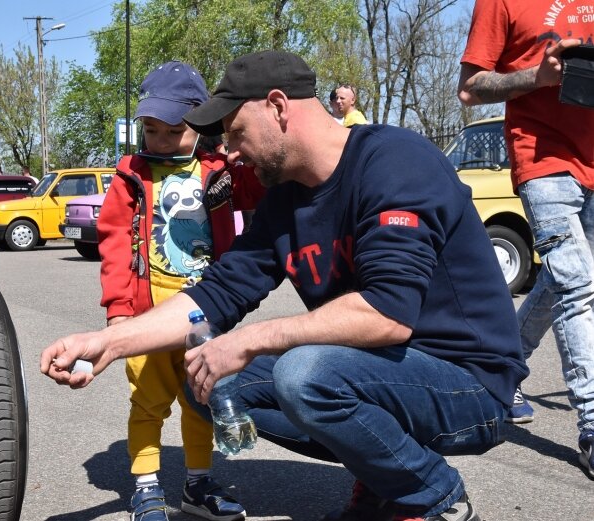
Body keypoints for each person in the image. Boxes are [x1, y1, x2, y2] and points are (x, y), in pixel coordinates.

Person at [42, 50, 528, 521]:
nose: (229, 152)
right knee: (208, 381)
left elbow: (388, 313)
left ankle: (433, 496)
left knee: (305, 372)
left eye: (235, 133)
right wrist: (107, 342)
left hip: (469, 386)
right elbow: (215, 295)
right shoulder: (285, 200)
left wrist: (249, 339)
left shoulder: (394, 161)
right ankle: (383, 476)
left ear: (277, 107)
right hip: (380, 375)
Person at [94, 61, 264, 521]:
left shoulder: (216, 170)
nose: (161, 141)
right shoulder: (132, 174)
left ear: (200, 124)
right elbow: (112, 243)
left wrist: (238, 157)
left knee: (200, 400)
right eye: (151, 130)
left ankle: (196, 485)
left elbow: (259, 191)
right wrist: (118, 312)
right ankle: (146, 487)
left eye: (173, 131)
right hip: (147, 316)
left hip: (204, 316)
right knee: (148, 401)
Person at [458, 1, 594, 478]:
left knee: (561, 282)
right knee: (578, 287)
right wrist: (540, 75)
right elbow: (471, 88)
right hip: (544, 159)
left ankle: (501, 362)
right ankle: (593, 426)